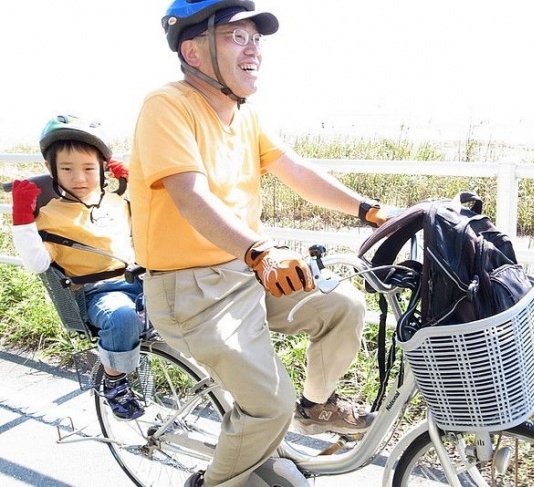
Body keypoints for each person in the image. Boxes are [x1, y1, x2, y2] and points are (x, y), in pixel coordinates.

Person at [128, 1, 395, 485]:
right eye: (236, 36)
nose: (254, 48)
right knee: (269, 408)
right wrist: (260, 251)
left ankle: (315, 408)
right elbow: (190, 194)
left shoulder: (244, 116)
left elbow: (295, 170)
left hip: (243, 275)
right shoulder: (167, 105)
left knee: (343, 307)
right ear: (193, 49)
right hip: (190, 293)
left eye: (256, 38)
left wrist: (372, 211)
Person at [11, 114, 146, 421]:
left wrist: (133, 182)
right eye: (67, 169)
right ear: (51, 170)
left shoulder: (115, 202)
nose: (80, 178)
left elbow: (153, 216)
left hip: (140, 279)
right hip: (96, 293)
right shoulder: (49, 215)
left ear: (103, 168)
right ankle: (114, 383)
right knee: (123, 317)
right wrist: (22, 217)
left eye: (89, 168)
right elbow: (36, 263)